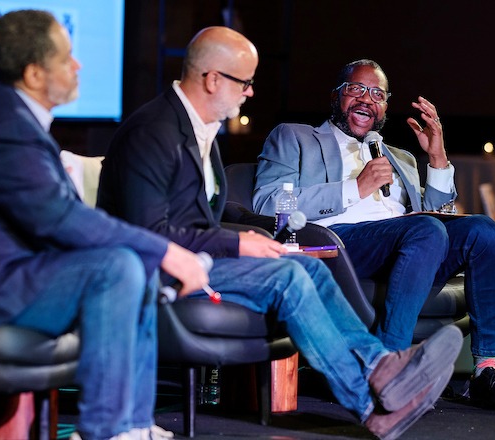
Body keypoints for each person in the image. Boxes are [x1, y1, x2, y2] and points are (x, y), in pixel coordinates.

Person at [97, 26, 464, 440]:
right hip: (149, 269)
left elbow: (203, 215)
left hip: (197, 259)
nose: (251, 93)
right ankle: (377, 389)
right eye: (245, 82)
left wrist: (240, 237)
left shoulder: (200, 130)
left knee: (305, 270)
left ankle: (381, 383)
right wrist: (237, 241)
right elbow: (150, 233)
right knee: (290, 275)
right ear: (213, 79)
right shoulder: (155, 131)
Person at [0, 10, 208, 440]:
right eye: (67, 57)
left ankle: (132, 424)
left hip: (4, 272)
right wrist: (168, 251)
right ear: (35, 73)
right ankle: (104, 430)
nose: (78, 65)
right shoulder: (1, 123)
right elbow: (59, 219)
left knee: (135, 265)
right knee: (117, 268)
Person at [253, 58, 495, 409]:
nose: (367, 98)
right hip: (339, 244)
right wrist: (355, 188)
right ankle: (387, 367)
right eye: (357, 89)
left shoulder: (400, 158)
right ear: (337, 95)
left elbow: (438, 218)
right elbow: (267, 203)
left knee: (484, 231)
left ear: (385, 106)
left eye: (377, 94)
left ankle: (485, 371)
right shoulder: (295, 137)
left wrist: (438, 159)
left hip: (411, 245)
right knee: (425, 231)